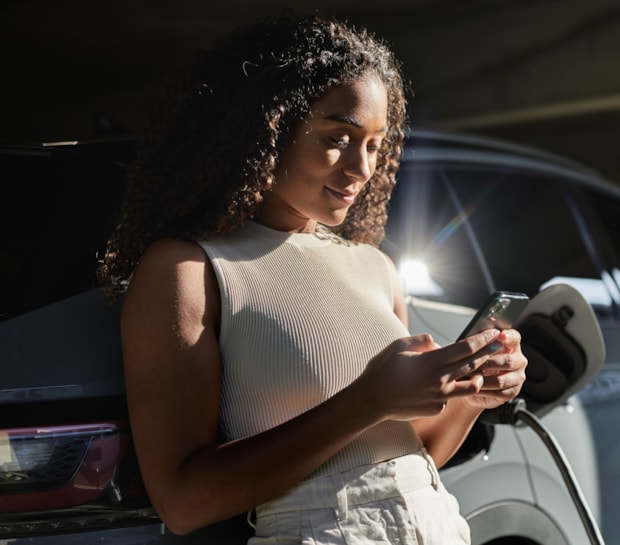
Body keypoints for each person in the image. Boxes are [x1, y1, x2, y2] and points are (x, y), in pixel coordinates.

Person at [97, 15, 527, 545]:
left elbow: (409, 454)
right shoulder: (188, 271)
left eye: (374, 145)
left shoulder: (376, 268)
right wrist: (370, 399)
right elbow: (184, 500)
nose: (362, 167)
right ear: (264, 130)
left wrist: (471, 395)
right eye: (338, 138)